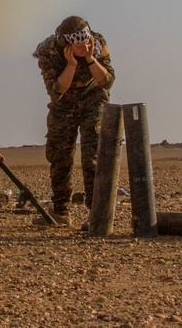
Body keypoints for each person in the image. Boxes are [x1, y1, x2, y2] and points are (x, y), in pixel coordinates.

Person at [32, 15, 115, 226]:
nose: (86, 46)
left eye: (87, 42)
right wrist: (70, 64)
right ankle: (60, 212)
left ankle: (95, 215)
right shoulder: (49, 51)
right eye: (80, 45)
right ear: (67, 45)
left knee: (93, 155)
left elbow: (107, 81)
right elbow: (56, 91)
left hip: (93, 100)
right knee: (59, 155)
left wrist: (89, 58)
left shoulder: (97, 43)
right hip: (64, 104)